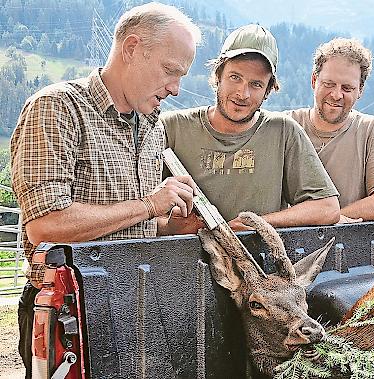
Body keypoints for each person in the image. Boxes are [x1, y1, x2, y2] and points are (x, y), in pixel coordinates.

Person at [10, 3, 202, 377]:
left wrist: (168, 229)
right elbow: (46, 226)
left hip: (139, 310)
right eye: (170, 71)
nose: (177, 89)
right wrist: (150, 204)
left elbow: (122, 226)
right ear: (131, 48)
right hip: (69, 314)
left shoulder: (151, 125)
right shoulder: (56, 107)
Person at [161, 24, 340, 232]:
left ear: (268, 90)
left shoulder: (282, 132)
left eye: (256, 84)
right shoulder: (172, 127)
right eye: (235, 77)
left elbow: (328, 208)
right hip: (180, 261)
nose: (242, 94)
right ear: (218, 75)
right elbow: (137, 212)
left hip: (259, 261)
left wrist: (256, 223)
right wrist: (168, 227)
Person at [288, 38, 374, 222]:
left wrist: (330, 217)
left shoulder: (371, 130)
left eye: (347, 88)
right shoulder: (287, 126)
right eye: (329, 84)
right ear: (314, 80)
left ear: (360, 90)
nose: (336, 94)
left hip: (349, 246)